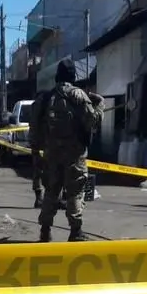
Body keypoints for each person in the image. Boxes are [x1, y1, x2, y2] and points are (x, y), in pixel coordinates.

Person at [29, 58, 104, 242]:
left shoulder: (45, 98)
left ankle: (45, 230)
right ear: (73, 76)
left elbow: (34, 127)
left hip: (51, 154)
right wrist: (99, 104)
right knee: (75, 192)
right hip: (75, 154)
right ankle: (75, 231)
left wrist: (36, 152)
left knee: (51, 192)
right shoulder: (78, 95)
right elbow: (92, 121)